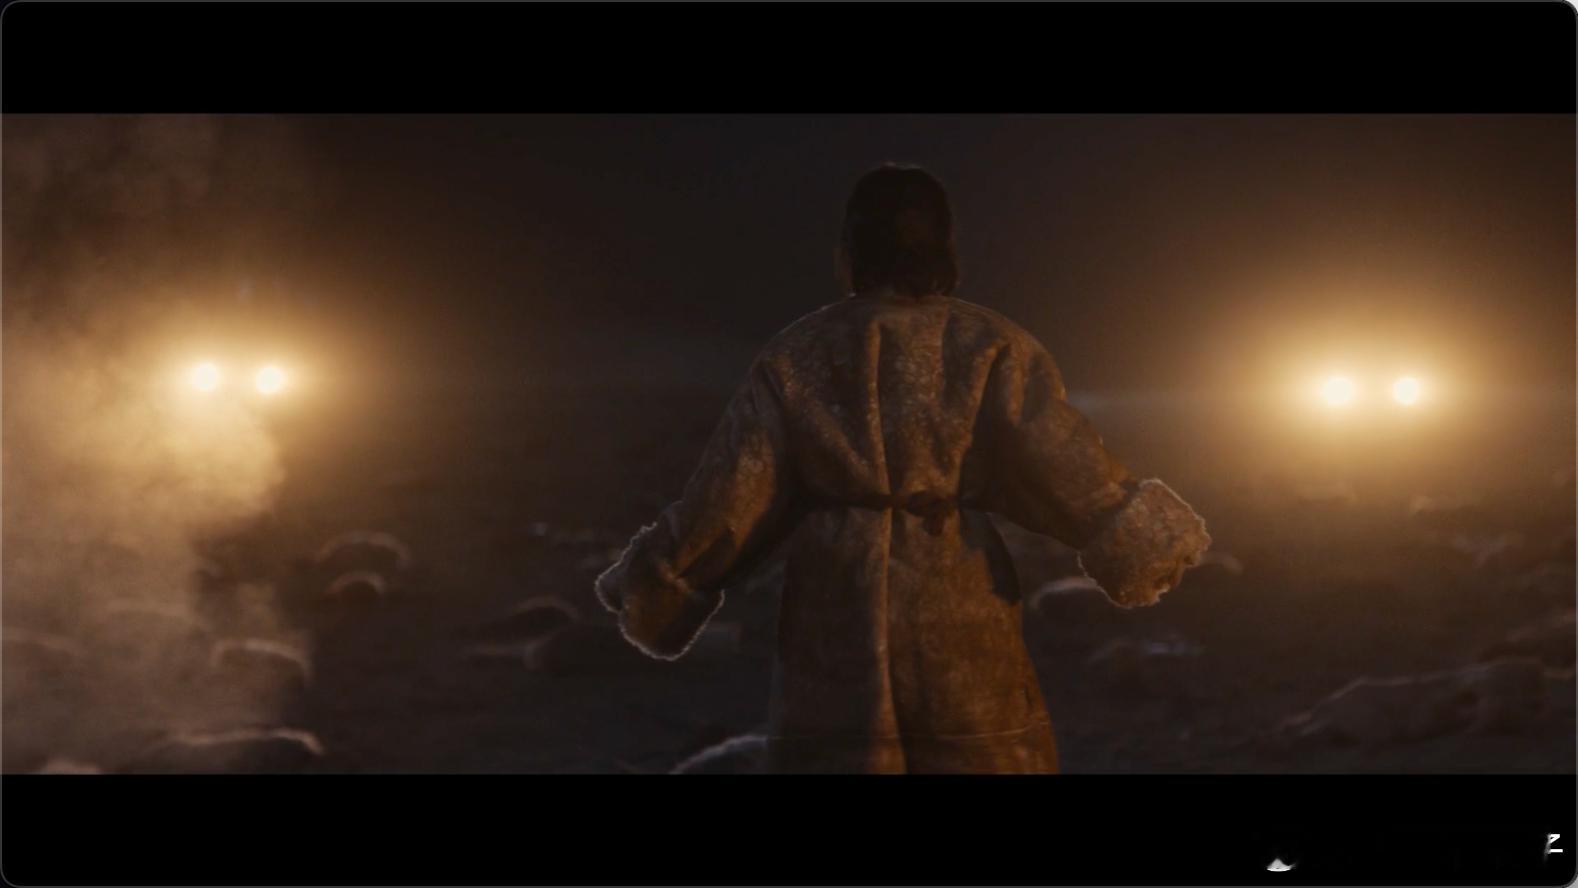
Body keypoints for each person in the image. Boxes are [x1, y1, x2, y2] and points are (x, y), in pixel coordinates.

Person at [595, 163, 1210, 773]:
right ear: (944, 246)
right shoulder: (991, 344)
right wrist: (1139, 537)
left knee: (836, 759)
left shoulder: (797, 355)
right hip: (957, 597)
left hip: (837, 603)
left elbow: (732, 497)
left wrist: (660, 580)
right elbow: (1062, 458)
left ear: (851, 248)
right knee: (977, 754)